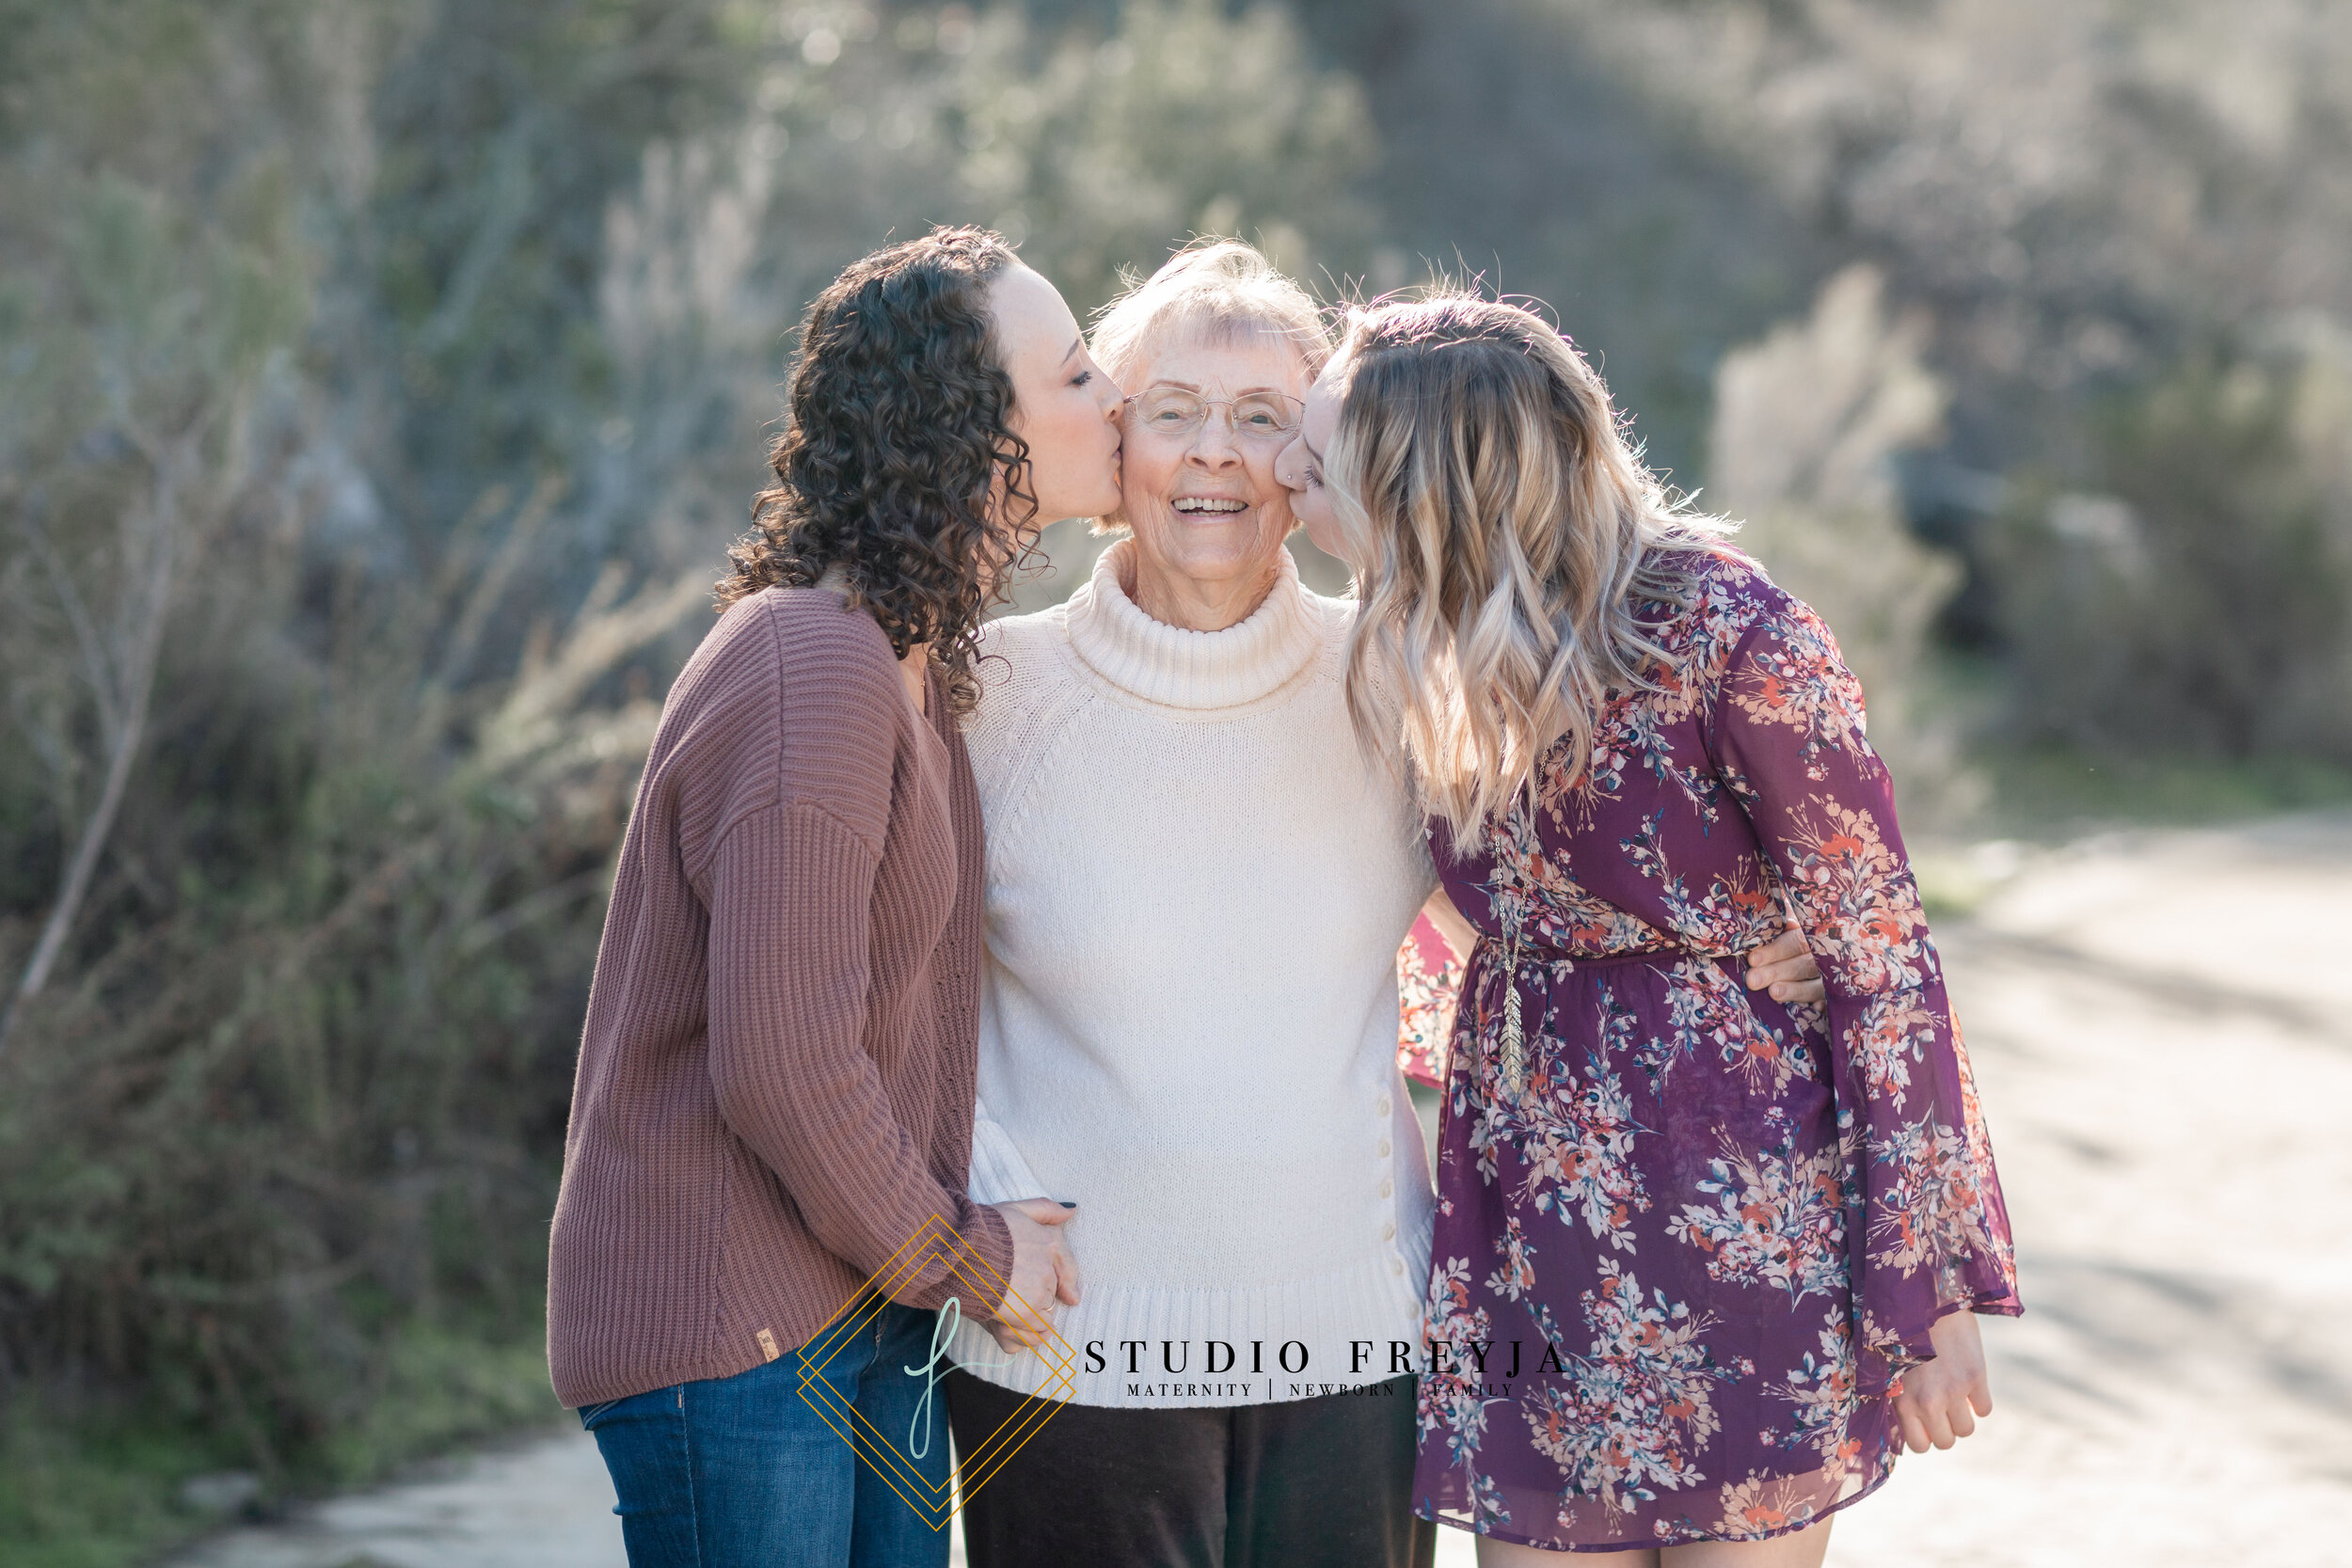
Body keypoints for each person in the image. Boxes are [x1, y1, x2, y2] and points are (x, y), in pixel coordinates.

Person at [934, 243, 1827, 1568]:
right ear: (1113, 440)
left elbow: (1561, 899)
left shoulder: (1413, 678)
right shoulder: (987, 692)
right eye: (1172, 411)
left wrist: (1752, 930)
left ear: (1318, 468)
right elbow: (894, 992)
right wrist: (981, 1210)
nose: (1217, 457)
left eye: (1264, 421)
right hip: (1066, 1349)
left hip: (1351, 1346)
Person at [1278, 293, 2021, 1566]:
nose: (1287, 482)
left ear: (1433, 493)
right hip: (1532, 1202)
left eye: (1316, 463)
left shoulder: (1731, 630)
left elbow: (1883, 957)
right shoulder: (1412, 650)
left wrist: (1932, 1285)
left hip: (1744, 1196)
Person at [544, 226, 1116, 1568]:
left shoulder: (907, 662)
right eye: (1080, 375)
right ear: (975, 431)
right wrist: (969, 1255)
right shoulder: (818, 670)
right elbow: (785, 1063)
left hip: (859, 1314)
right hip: (735, 1333)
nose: (1116, 402)